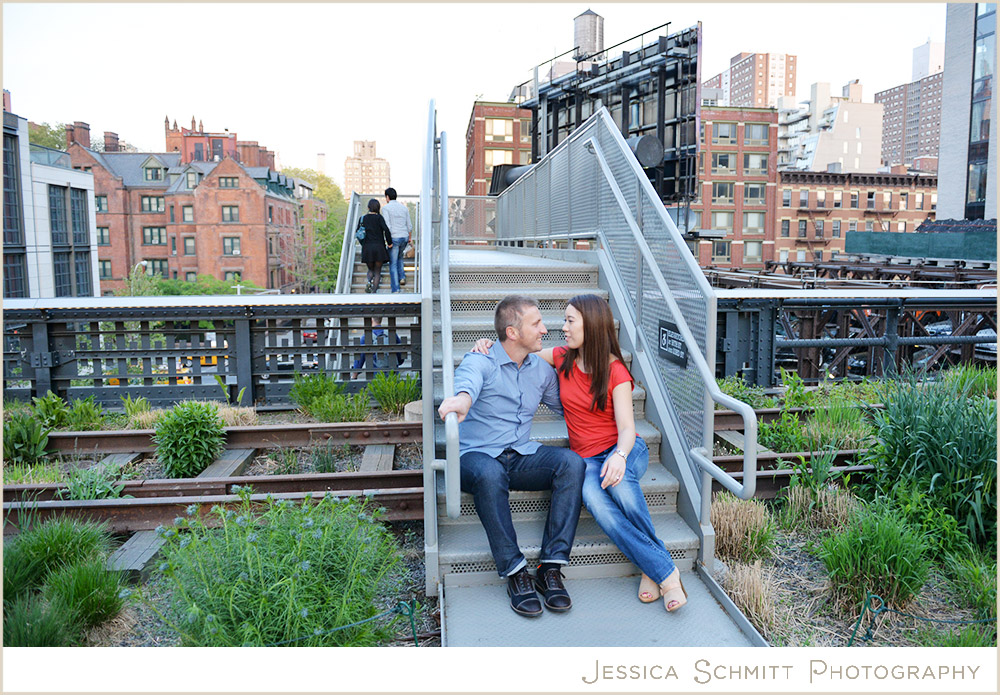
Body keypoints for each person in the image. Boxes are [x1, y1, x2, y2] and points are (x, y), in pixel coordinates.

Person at [472, 294, 687, 612]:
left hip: (624, 451)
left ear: (593, 325)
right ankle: (658, 567)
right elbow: (517, 349)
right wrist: (488, 343)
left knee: (624, 492)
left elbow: (628, 429)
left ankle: (661, 574)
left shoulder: (616, 371)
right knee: (599, 505)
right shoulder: (561, 357)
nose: (562, 326)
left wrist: (619, 457)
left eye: (570, 320)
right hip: (585, 459)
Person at [438, 295, 586, 618]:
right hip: (475, 457)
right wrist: (461, 402)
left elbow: (567, 406)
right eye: (536, 324)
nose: (545, 329)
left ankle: (550, 568)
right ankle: (516, 572)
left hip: (519, 455)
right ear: (513, 332)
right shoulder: (482, 360)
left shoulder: (541, 371)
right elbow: (468, 384)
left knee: (572, 464)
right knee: (490, 474)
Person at [381, 188, 412, 293]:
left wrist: (388, 241)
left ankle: (396, 289)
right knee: (399, 257)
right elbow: (409, 226)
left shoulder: (386, 209)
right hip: (404, 236)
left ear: (387, 197)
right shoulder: (404, 208)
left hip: (394, 237)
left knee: (393, 263)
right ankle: (402, 277)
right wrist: (409, 238)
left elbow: (387, 226)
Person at [359, 198, 392, 293]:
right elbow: (386, 230)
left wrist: (363, 244)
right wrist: (389, 243)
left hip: (367, 248)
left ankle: (369, 281)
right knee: (377, 271)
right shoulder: (379, 218)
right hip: (379, 248)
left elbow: (358, 232)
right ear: (378, 207)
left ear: (368, 207)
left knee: (370, 269)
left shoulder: (363, 218)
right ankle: (373, 292)